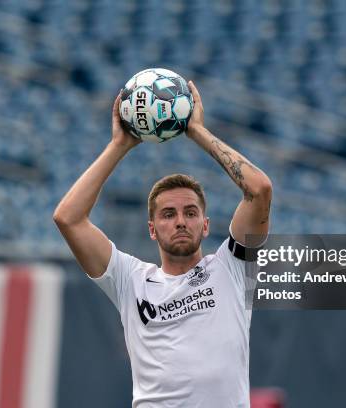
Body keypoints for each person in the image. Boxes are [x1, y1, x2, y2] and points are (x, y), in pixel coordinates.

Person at [53, 80, 272, 407]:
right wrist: (119, 146)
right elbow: (68, 218)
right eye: (168, 214)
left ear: (206, 224)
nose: (181, 221)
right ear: (152, 229)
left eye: (190, 212)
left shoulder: (233, 267)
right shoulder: (130, 280)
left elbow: (260, 189)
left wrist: (196, 130)